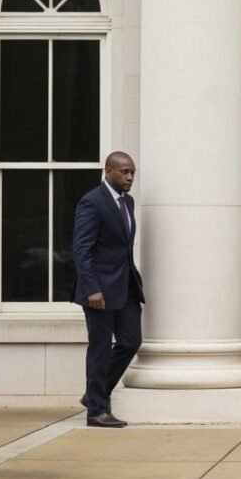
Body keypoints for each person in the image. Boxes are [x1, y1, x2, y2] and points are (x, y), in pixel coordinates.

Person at [73, 151, 145, 428]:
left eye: (132, 173)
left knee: (130, 341)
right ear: (108, 172)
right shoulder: (92, 202)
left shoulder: (128, 201)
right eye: (124, 172)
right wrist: (92, 288)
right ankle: (97, 411)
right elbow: (81, 249)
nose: (129, 177)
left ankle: (94, 395)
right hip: (99, 290)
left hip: (125, 286)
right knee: (100, 348)